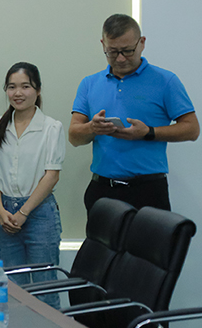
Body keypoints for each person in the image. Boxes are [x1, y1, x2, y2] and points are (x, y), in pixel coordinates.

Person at [69, 14, 198, 211]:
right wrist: (92, 128)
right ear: (103, 44)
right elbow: (74, 137)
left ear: (142, 43)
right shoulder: (89, 84)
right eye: (112, 52)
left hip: (148, 190)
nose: (120, 58)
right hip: (102, 189)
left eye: (128, 51)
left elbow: (192, 129)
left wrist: (149, 132)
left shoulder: (166, 81)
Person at [0, 63, 64, 308]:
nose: (18, 93)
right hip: (6, 214)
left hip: (40, 214)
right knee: (12, 288)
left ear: (37, 90)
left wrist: (24, 212)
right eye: (12, 87)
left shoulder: (51, 128)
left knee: (44, 288)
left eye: (25, 87)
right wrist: (1, 211)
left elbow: (51, 176)